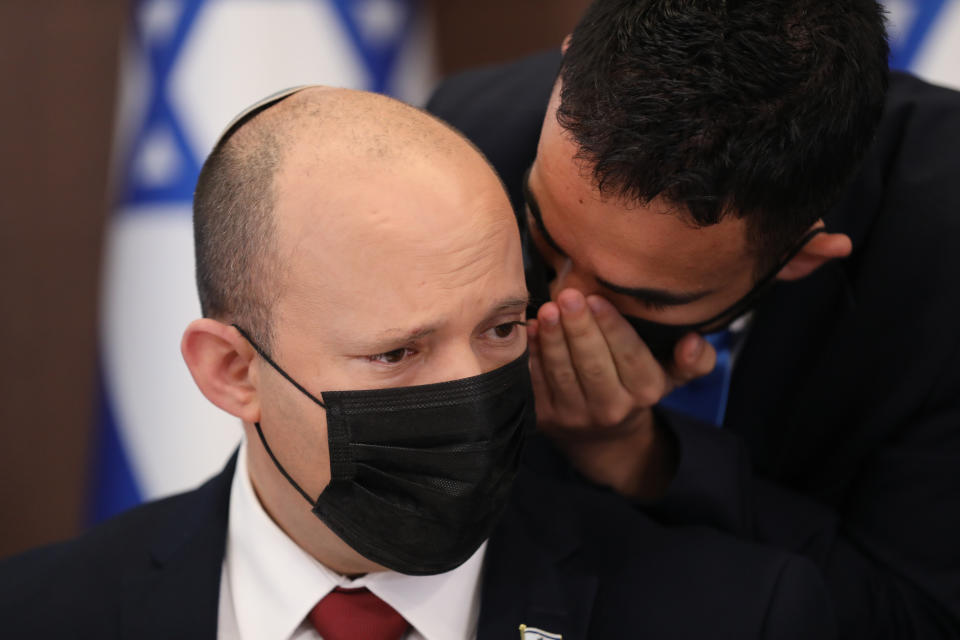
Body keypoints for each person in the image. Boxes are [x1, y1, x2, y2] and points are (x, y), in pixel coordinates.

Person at [0, 87, 834, 638]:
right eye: (397, 352)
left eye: (501, 330)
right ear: (232, 372)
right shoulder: (39, 615)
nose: (468, 392)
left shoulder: (735, 615)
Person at [427, 0, 960, 637]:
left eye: (647, 297)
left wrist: (639, 458)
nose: (565, 303)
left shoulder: (941, 268)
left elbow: (911, 616)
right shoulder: (460, 144)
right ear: (568, 65)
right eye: (546, 234)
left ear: (801, 256)